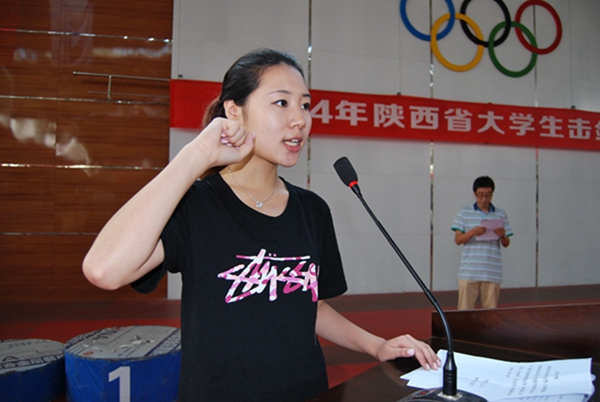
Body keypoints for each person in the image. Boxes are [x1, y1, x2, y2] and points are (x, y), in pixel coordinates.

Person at [83, 48, 440, 401]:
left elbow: (309, 306)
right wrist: (197, 155)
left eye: (305, 105)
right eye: (281, 103)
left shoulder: (312, 210)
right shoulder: (196, 205)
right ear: (234, 111)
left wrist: (377, 345)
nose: (300, 119)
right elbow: (104, 270)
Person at [451, 176, 513, 310]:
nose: (484, 198)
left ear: (492, 193)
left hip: (492, 270)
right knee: (464, 311)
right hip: (469, 271)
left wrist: (503, 235)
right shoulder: (464, 212)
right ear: (475, 193)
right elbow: (458, 240)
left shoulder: (500, 214)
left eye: (488, 194)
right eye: (481, 194)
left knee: (490, 312)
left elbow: (506, 243)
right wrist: (472, 232)